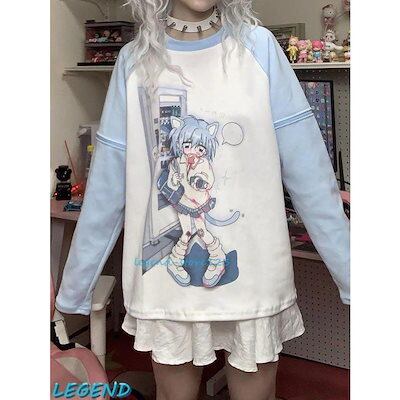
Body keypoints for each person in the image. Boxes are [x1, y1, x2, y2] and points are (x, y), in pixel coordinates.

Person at [55, 1, 350, 399]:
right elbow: (108, 182)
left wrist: (353, 273)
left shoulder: (259, 48)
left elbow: (310, 172)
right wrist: (74, 288)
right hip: (164, 287)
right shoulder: (135, 61)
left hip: (255, 280)